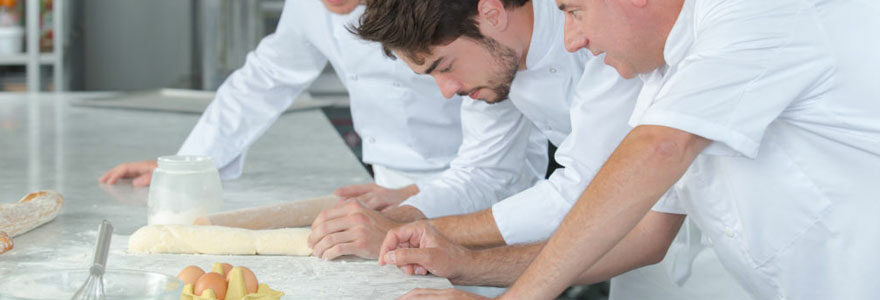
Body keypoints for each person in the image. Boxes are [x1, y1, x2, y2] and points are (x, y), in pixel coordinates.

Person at [382, 0, 880, 299]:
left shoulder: (759, 11)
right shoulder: (663, 70)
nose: (573, 40)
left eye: (574, 11)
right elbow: (644, 235)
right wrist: (464, 265)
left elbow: (659, 148)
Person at [319, 0, 749, 299]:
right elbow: (482, 173)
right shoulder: (495, 63)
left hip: (724, 248)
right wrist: (401, 220)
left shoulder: (602, 34)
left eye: (444, 67)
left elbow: (584, 191)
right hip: (632, 248)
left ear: (490, 12)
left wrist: (405, 237)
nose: (447, 91)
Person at [97, 0, 546, 214]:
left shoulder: (439, 10)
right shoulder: (310, 8)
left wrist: (415, 201)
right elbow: (264, 79)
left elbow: (488, 158)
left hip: (489, 178)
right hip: (387, 182)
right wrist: (190, 165)